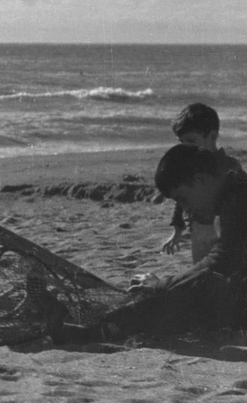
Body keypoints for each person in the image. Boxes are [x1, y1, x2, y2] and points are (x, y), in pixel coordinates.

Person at [88, 144, 246, 338]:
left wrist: (161, 286)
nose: (187, 209)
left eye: (184, 199)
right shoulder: (236, 190)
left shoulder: (239, 199)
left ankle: (104, 328)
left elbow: (222, 261)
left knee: (194, 293)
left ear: (200, 180)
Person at [161, 104, 242, 261]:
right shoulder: (189, 167)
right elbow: (181, 199)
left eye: (191, 140)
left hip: (224, 228)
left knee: (223, 265)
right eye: (181, 142)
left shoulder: (230, 165)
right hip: (197, 227)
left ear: (212, 137)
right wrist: (177, 231)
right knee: (199, 269)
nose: (185, 147)